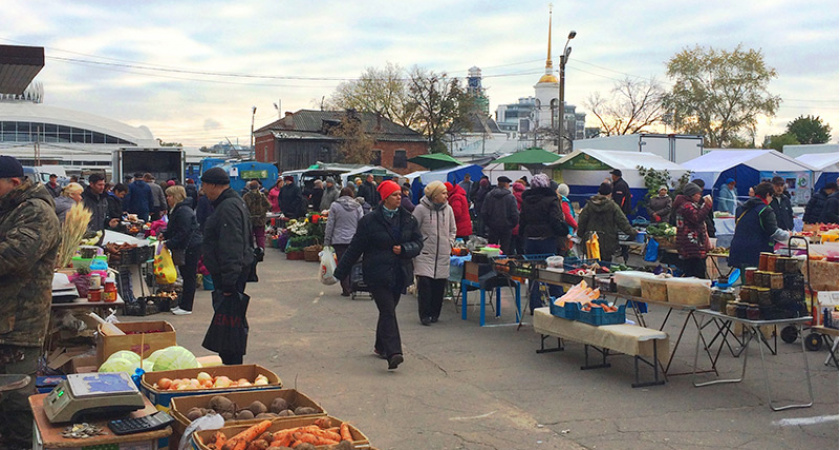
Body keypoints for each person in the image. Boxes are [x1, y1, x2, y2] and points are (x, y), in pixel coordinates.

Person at [0, 155, 60, 449]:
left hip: (18, 324)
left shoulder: (36, 212)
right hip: (5, 318)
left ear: (13, 182)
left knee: (15, 402)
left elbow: (12, 255)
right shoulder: (9, 208)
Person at [333, 180, 423, 370]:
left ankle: (380, 345)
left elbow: (418, 243)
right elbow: (355, 248)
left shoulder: (408, 219)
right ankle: (394, 352)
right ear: (385, 198)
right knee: (388, 310)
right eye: (395, 195)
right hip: (377, 274)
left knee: (387, 311)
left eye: (400, 194)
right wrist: (339, 272)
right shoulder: (369, 221)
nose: (399, 197)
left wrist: (405, 249)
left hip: (399, 273)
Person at [199, 167, 255, 365]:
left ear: (214, 185)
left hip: (230, 277)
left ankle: (232, 365)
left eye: (204, 185)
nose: (203, 189)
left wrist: (229, 282)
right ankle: (230, 362)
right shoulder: (232, 202)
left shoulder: (228, 207)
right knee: (229, 322)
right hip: (231, 275)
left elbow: (232, 245)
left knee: (230, 323)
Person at [520, 174, 568, 312]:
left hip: (530, 241)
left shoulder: (526, 201)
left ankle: (535, 306)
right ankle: (558, 305)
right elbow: (555, 220)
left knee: (534, 274)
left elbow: (522, 221)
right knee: (553, 272)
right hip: (546, 240)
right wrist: (563, 230)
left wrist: (523, 236)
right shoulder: (551, 200)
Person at [413, 181, 456, 326]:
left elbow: (452, 229)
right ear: (434, 195)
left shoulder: (448, 210)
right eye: (443, 193)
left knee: (439, 286)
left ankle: (435, 313)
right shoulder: (420, 210)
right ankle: (424, 315)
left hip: (443, 253)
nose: (446, 196)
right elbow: (413, 229)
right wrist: (419, 244)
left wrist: (449, 242)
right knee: (425, 284)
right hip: (425, 253)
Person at [729, 181, 790, 269]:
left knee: (745, 279)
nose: (772, 199)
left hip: (737, 249)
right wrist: (789, 236)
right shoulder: (766, 210)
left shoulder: (740, 208)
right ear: (768, 194)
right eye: (771, 196)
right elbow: (774, 232)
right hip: (756, 252)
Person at [163, 185, 202, 315]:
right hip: (188, 245)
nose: (167, 198)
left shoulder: (183, 211)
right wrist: (166, 234)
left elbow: (183, 232)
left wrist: (169, 243)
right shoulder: (178, 209)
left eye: (169, 196)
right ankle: (183, 304)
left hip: (190, 247)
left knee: (189, 276)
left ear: (176, 197)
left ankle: (186, 306)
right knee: (186, 275)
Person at [577, 182, 638, 261]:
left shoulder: (589, 205)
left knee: (590, 266)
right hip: (608, 242)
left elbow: (582, 221)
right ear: (610, 194)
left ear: (599, 192)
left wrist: (581, 234)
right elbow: (622, 222)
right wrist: (633, 232)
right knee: (605, 267)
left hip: (591, 240)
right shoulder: (613, 206)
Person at [324, 187, 363, 297]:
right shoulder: (358, 206)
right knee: (353, 263)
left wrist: (327, 240)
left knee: (342, 263)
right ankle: (353, 284)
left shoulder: (335, 206)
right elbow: (362, 223)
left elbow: (330, 224)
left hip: (338, 240)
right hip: (354, 239)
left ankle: (346, 288)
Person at [673, 183, 712, 278]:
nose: (700, 196)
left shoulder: (685, 205)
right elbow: (697, 218)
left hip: (688, 244)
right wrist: (707, 206)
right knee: (696, 272)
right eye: (698, 194)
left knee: (690, 271)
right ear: (691, 194)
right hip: (692, 245)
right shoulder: (687, 206)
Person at [481, 176, 519, 255]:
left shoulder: (489, 195)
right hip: (506, 228)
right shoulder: (510, 197)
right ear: (506, 184)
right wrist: (511, 225)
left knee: (491, 251)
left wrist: (489, 223)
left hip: (492, 227)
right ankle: (502, 265)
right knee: (505, 250)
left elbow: (484, 212)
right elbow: (515, 214)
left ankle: (491, 266)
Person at [243, 180, 272, 251]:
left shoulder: (246, 196)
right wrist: (263, 211)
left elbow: (243, 206)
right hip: (260, 219)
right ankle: (261, 250)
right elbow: (269, 205)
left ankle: (250, 250)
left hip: (250, 219)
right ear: (258, 187)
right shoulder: (262, 195)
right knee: (260, 236)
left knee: (250, 236)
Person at [556, 183, 578, 253]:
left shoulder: (557, 200)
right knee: (567, 251)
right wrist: (576, 226)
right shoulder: (564, 201)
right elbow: (567, 216)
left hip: (560, 231)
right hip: (567, 231)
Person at [511, 180, 526, 255]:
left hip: (513, 226)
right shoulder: (526, 199)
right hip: (523, 226)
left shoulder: (511, 198)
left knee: (511, 247)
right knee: (521, 247)